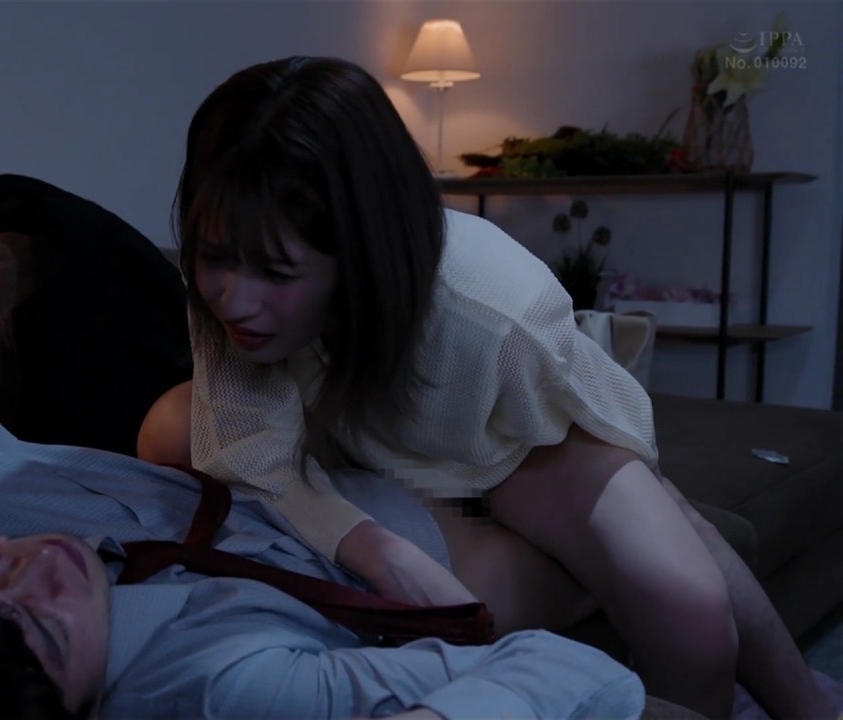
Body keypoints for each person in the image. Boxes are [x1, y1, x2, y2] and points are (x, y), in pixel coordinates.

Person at [136, 55, 833, 720]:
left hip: (509, 443)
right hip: (356, 425)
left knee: (690, 611)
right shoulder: (230, 285)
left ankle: (807, 705)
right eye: (215, 257)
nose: (234, 300)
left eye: (276, 273)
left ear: (360, 252)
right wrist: (376, 548)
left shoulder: (496, 314)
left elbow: (616, 431)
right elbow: (249, 449)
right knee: (171, 426)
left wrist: (633, 519)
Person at [0, 273, 646, 719]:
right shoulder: (227, 692)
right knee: (619, 531)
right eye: (44, 630)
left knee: (186, 413)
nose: (33, 569)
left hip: (285, 466)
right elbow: (561, 671)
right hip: (405, 555)